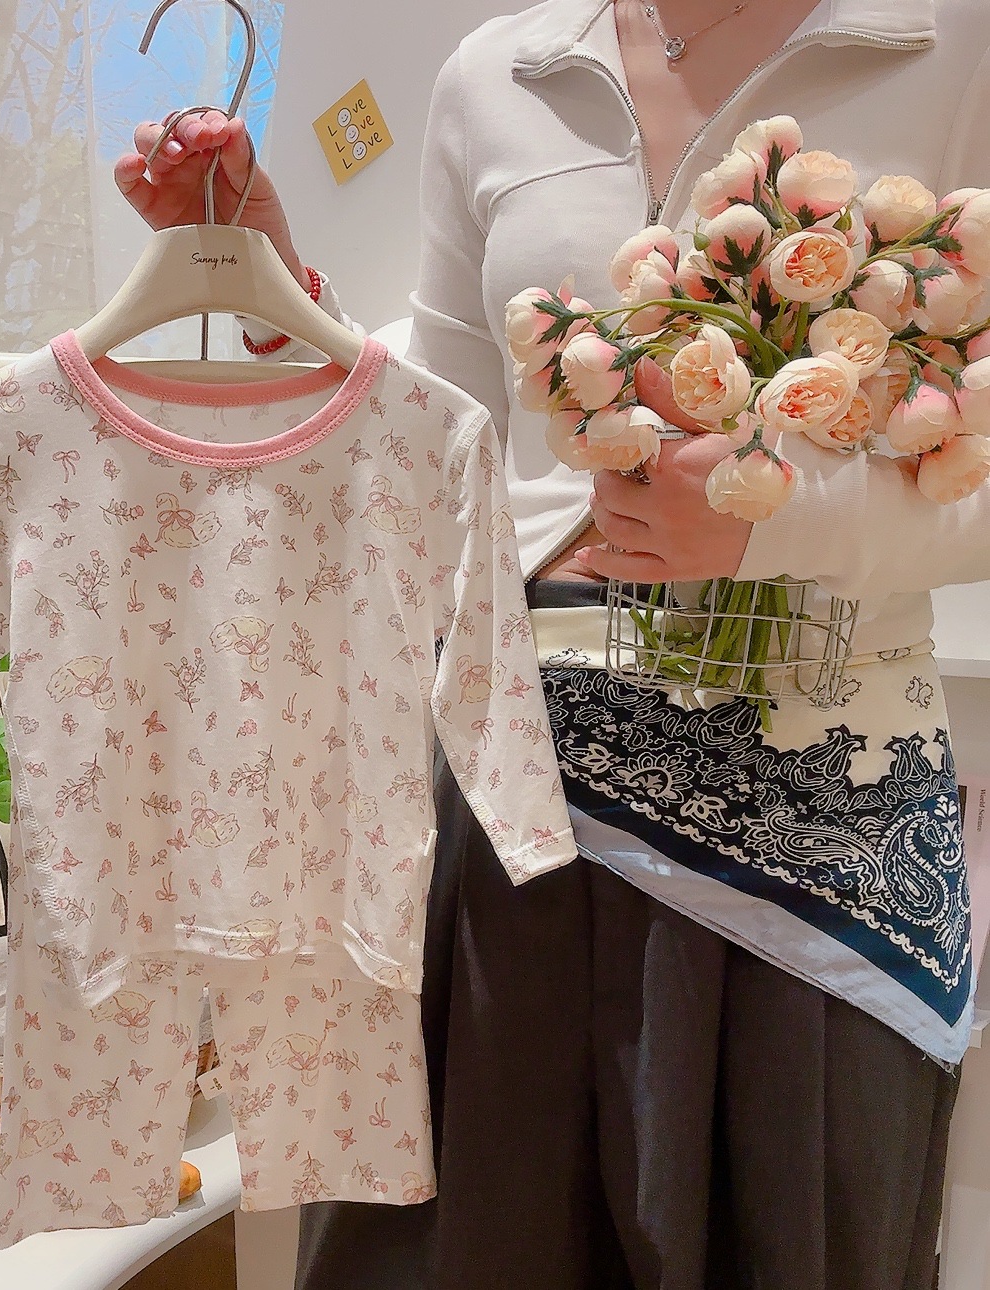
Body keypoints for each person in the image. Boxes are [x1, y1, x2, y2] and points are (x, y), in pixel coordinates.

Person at [115, 1, 990, 1285]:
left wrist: (775, 517)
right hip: (515, 812)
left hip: (821, 854)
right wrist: (268, 287)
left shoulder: (954, 41)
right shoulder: (499, 75)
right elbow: (443, 447)